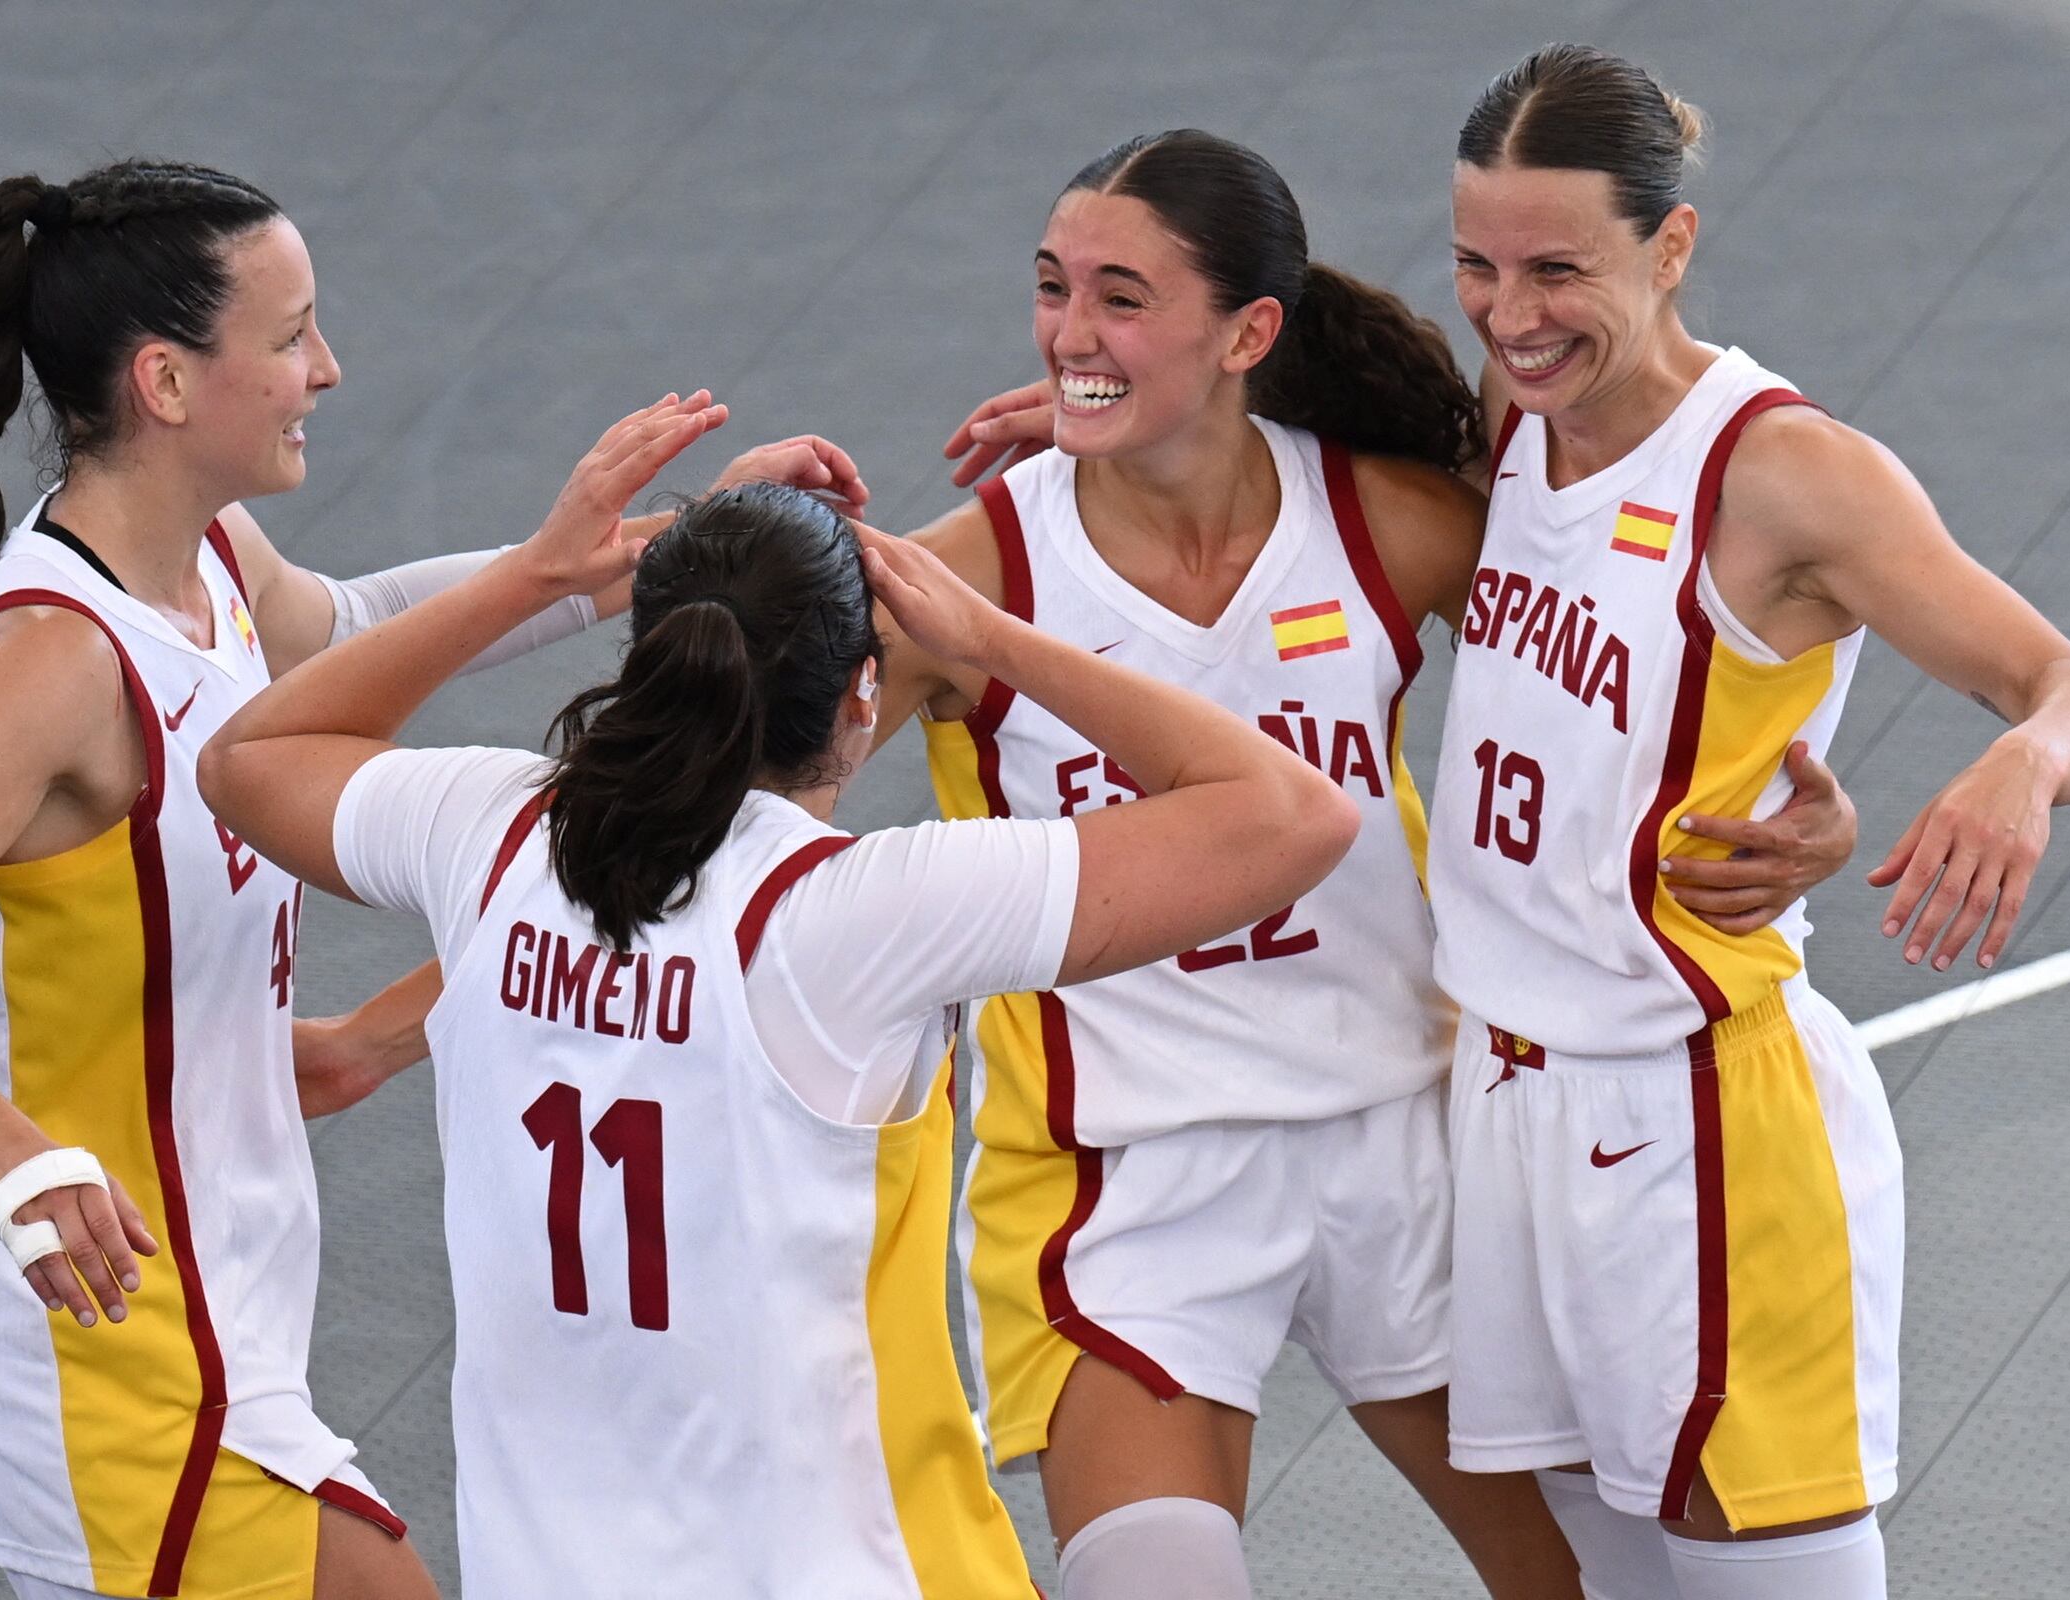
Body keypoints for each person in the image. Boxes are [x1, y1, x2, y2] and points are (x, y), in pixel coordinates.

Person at [0, 159, 852, 1600]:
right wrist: (17, 1156)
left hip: (219, 1318)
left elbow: (349, 630)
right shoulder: (50, 659)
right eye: (288, 340)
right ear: (164, 380)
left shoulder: (209, 557)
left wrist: (663, 563)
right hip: (103, 1355)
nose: (324, 371)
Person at [195, 391, 1364, 1595]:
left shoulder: (488, 835)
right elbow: (1292, 815)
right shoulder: (856, 918)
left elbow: (249, 757)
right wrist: (989, 639)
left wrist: (544, 572)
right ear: (866, 692)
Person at [920, 131, 1857, 1598]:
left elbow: (1629, 657)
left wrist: (1812, 811)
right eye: (1055, 292)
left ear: (1250, 333)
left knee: (1599, 1587)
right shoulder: (967, 583)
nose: (1069, 335)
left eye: (1120, 298)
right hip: (1128, 1177)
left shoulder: (1385, 523)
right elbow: (717, 725)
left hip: (1410, 1134)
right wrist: (677, 548)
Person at [1428, 44, 2070, 1600]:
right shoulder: (1521, 413)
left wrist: (2022, 762)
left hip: (1694, 1121)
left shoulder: (1784, 473)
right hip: (1513, 1092)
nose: (1511, 314)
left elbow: (2062, 678)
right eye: (1477, 264)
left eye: (1556, 269)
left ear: (1671, 246)